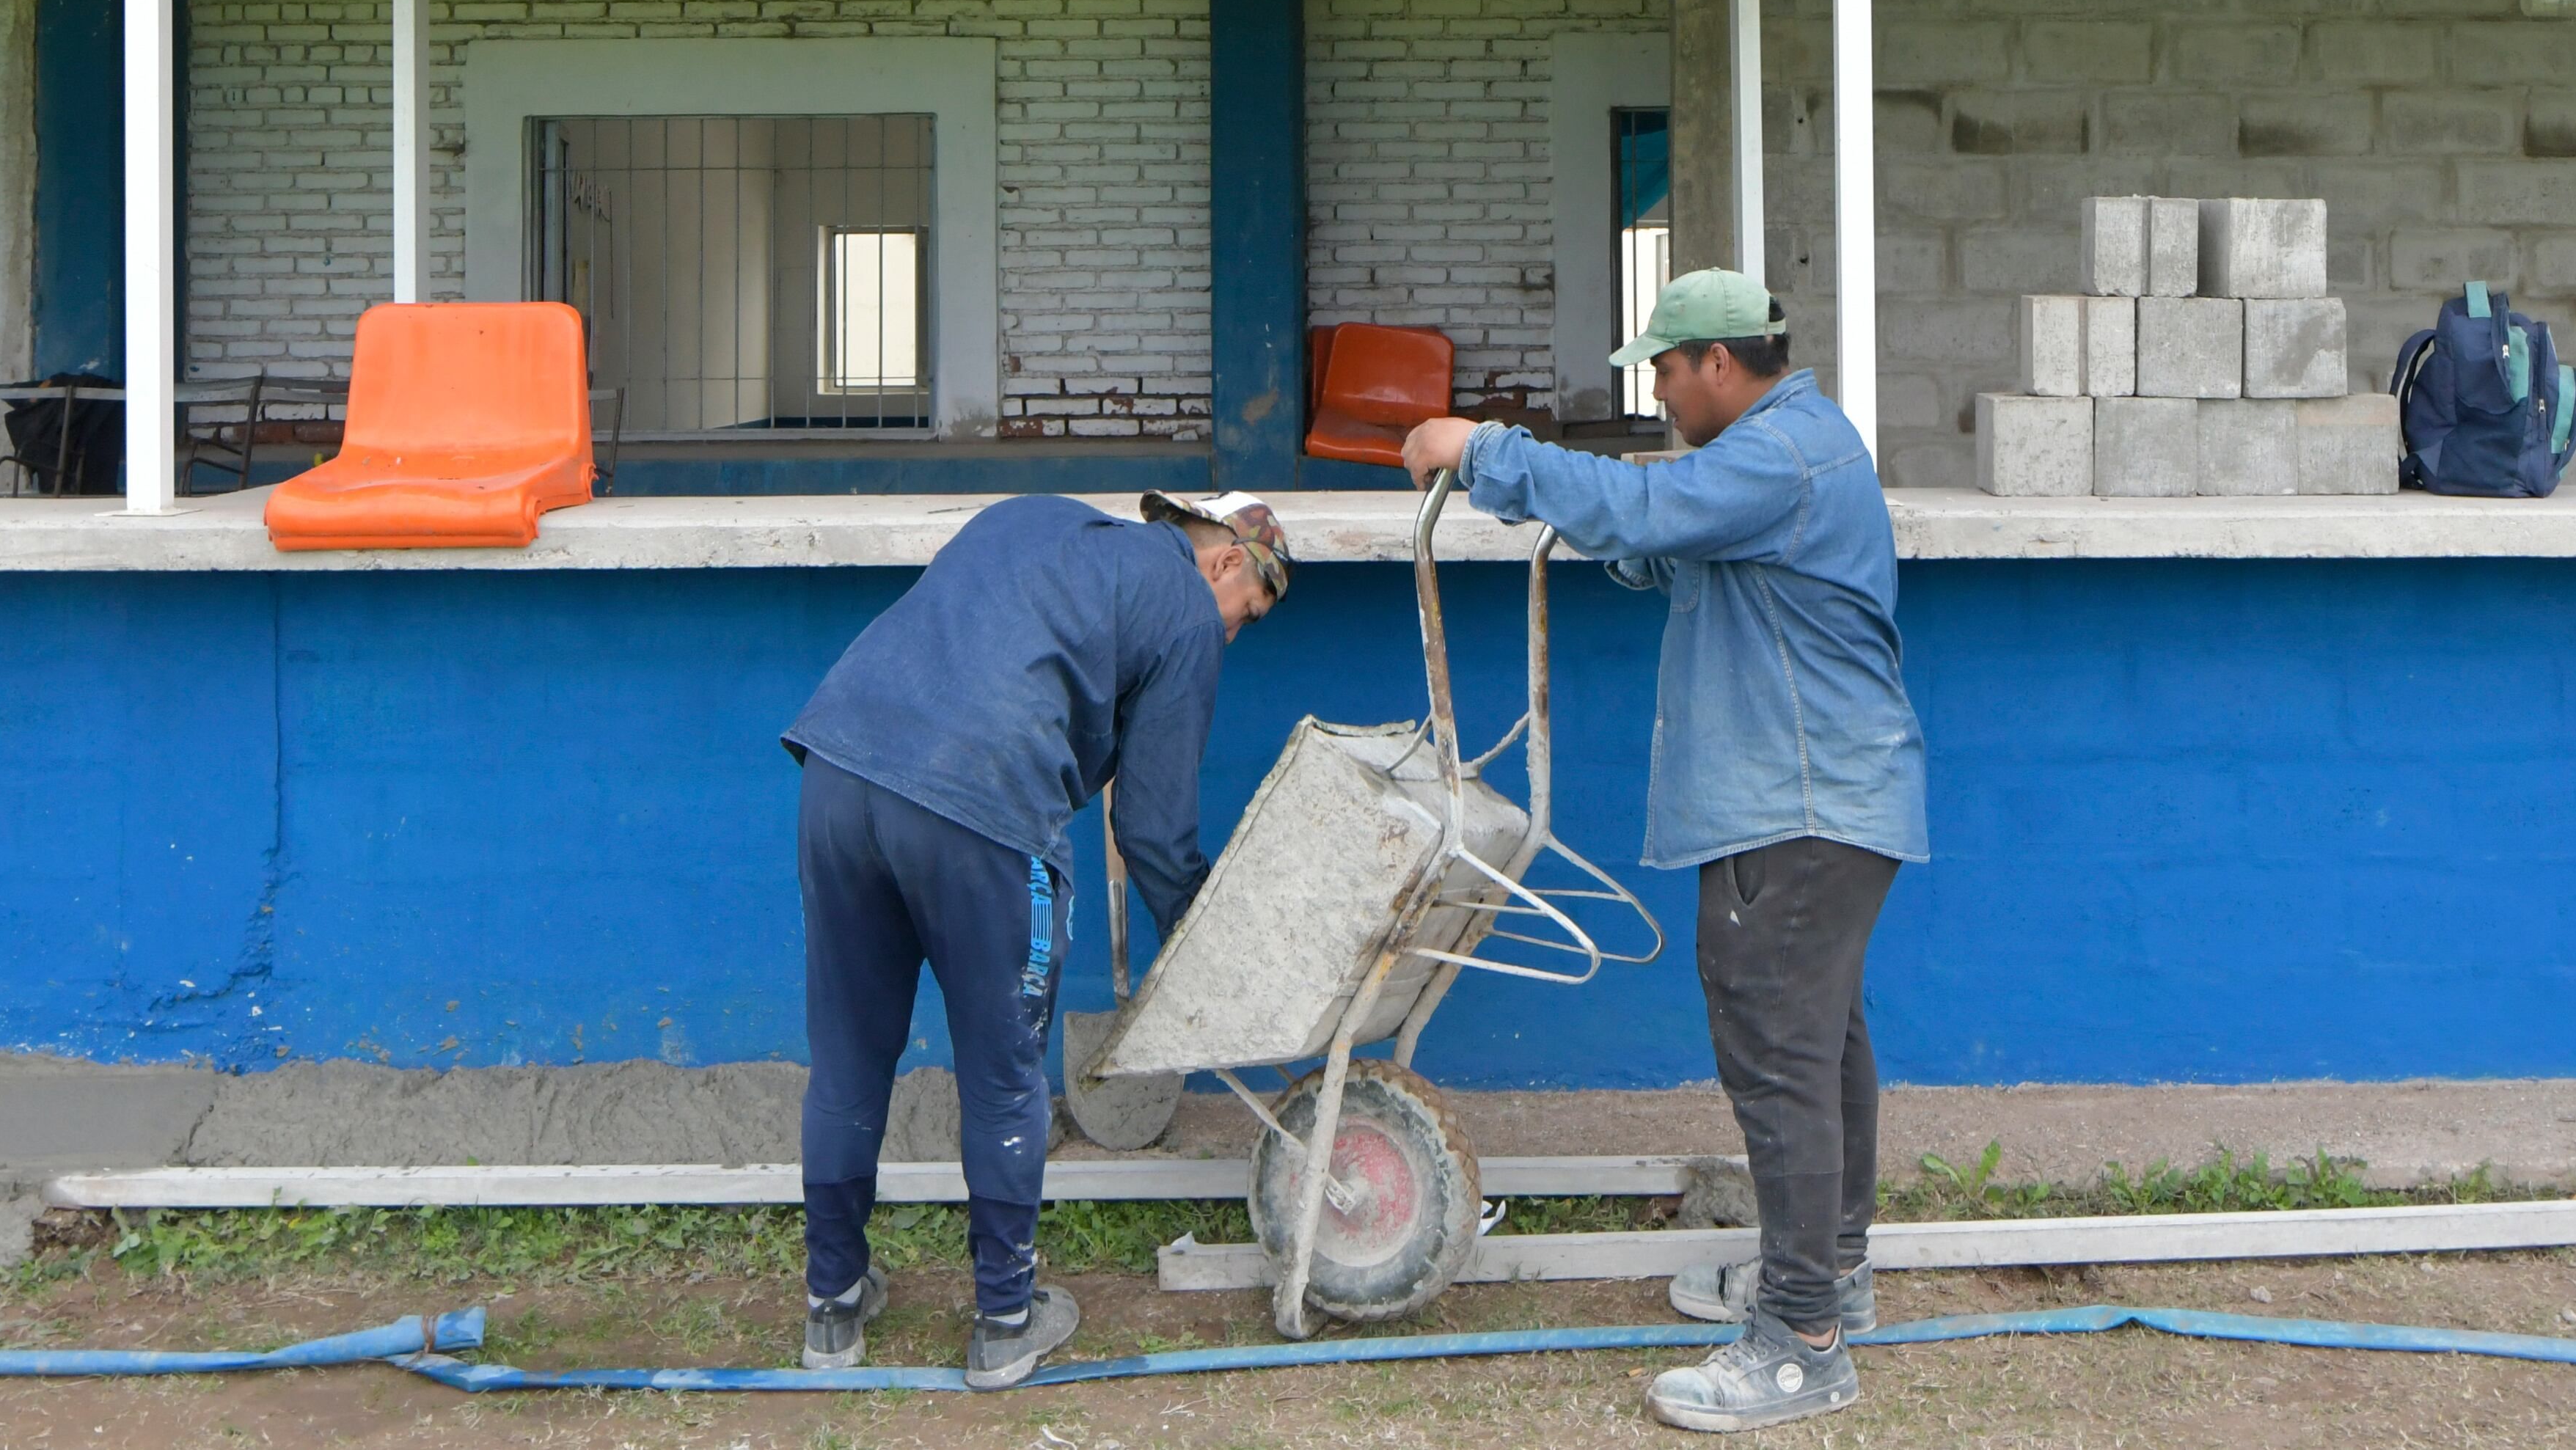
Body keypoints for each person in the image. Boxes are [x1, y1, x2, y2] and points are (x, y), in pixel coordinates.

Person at [1402, 269, 1924, 1435]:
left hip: (1796, 808)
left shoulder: (1779, 455)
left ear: (1719, 366)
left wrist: (1482, 447)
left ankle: (1801, 1345)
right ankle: (1829, 1282)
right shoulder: (1790, 447)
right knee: (1823, 1049)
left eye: (1664, 370)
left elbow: (1648, 516)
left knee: (1782, 1060)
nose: (1656, 389)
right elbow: (1655, 535)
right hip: (1829, 801)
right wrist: (1565, 503)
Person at [777, 486, 1293, 1386]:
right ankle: (1005, 1322)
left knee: (850, 1056)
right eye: (1243, 617)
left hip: (839, 770)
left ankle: (832, 1309)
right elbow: (1156, 837)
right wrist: (1205, 943)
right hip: (979, 808)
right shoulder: (1184, 612)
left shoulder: (1032, 517)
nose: (1230, 638)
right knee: (1003, 1070)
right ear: (1223, 562)